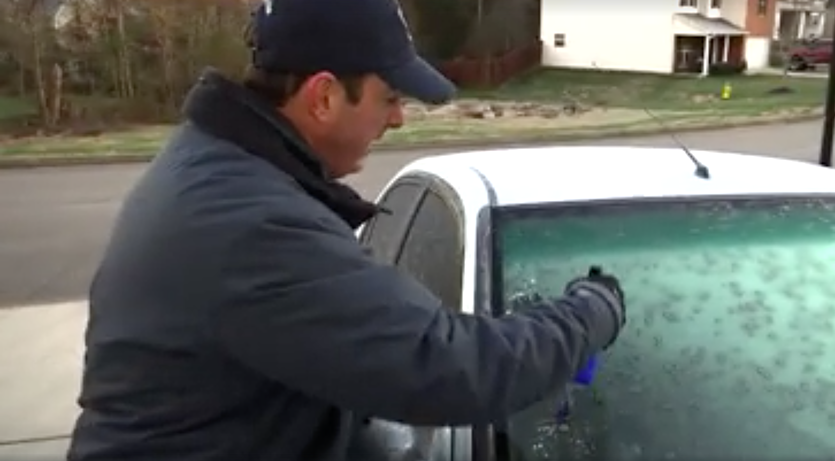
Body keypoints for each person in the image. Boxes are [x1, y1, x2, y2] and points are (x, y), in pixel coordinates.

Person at [65, 0, 628, 459]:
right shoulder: (253, 223)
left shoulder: (219, 167)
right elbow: (448, 370)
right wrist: (589, 313)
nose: (398, 118)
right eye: (390, 97)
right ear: (325, 96)